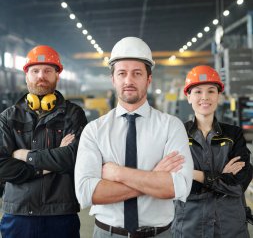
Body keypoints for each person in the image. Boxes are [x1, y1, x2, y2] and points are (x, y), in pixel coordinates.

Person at [75, 37, 193, 238]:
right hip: (107, 233)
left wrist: (118, 173)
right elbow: (87, 193)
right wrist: (154, 176)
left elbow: (178, 187)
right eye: (122, 73)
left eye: (137, 73)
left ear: (148, 79)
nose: (129, 80)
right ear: (113, 79)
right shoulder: (94, 130)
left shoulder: (171, 126)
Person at [0, 45, 87, 238]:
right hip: (18, 214)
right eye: (35, 70)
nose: (41, 76)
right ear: (26, 75)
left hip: (61, 214)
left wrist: (24, 155)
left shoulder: (73, 114)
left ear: (57, 75)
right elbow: (2, 166)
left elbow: (72, 158)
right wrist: (50, 162)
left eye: (48, 70)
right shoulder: (8, 117)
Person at [171, 65, 253, 238]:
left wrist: (195, 174)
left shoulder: (234, 134)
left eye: (211, 91)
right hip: (190, 227)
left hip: (230, 227)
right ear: (188, 96)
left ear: (218, 96)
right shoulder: (176, 134)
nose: (205, 97)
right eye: (198, 92)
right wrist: (221, 178)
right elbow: (176, 184)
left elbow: (239, 184)